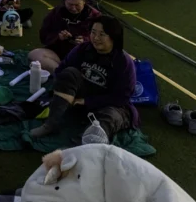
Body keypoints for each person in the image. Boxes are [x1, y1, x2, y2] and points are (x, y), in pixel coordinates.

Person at [30, 16, 138, 145]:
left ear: (113, 37)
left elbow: (122, 97)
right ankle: (51, 124)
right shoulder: (82, 49)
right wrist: (67, 93)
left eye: (102, 34)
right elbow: (61, 70)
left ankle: (82, 144)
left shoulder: (123, 62)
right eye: (93, 32)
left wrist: (88, 101)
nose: (96, 38)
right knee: (69, 72)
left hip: (108, 104)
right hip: (79, 98)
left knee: (111, 116)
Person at [28, 0, 101, 74]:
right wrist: (58, 37)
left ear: (84, 1)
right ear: (64, 1)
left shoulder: (95, 16)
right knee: (34, 54)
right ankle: (63, 73)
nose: (74, 8)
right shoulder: (57, 12)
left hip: (84, 56)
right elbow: (43, 35)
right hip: (59, 54)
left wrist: (85, 41)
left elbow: (103, 39)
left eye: (77, 5)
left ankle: (67, 73)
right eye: (70, 4)